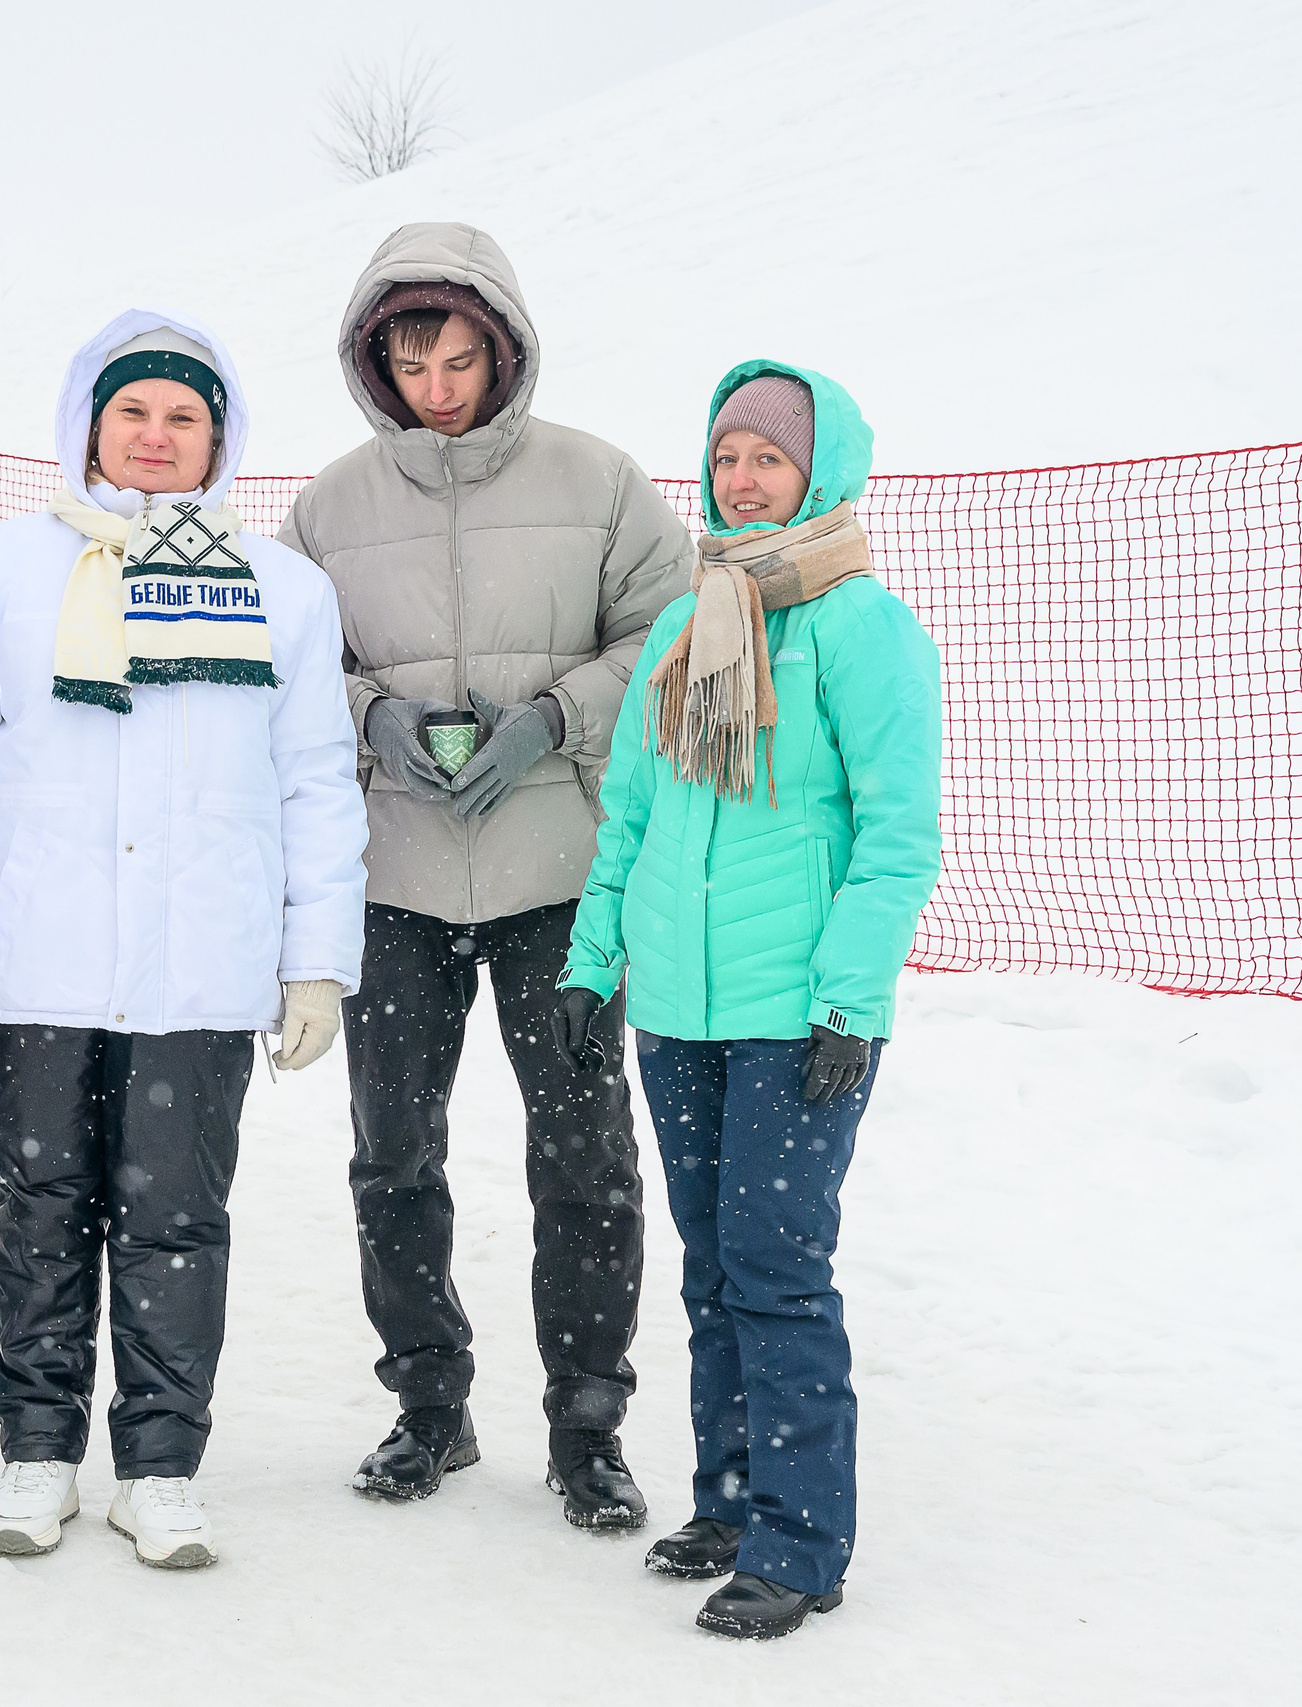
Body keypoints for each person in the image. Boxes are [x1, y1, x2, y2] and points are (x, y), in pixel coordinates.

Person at [0, 309, 366, 1570]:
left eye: (185, 417)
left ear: (221, 440)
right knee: (38, 1208)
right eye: (134, 411)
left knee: (176, 1222)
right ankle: (37, 1452)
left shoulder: (283, 592)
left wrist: (316, 959)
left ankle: (157, 1466)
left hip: (199, 967)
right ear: (87, 424)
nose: (156, 438)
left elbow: (317, 780)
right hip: (35, 959)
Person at [279, 222, 693, 1526]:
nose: (440, 386)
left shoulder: (602, 480)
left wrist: (554, 717)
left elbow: (669, 634)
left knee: (583, 1158)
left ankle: (587, 1422)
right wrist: (371, 718)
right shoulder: (330, 506)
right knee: (392, 1152)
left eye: (463, 356)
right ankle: (429, 1404)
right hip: (393, 882)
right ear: (376, 360)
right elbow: (284, 663)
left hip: (557, 885)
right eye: (414, 360)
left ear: (504, 347)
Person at [552, 360, 942, 1639]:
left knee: (775, 1270)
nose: (741, 478)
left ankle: (800, 1543)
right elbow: (631, 819)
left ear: (817, 470)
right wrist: (593, 964)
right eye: (725, 457)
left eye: (766, 457)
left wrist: (847, 1000)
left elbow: (896, 835)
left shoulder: (861, 627)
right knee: (715, 1268)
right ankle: (726, 1503)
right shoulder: (685, 621)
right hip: (679, 1011)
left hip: (795, 1019)